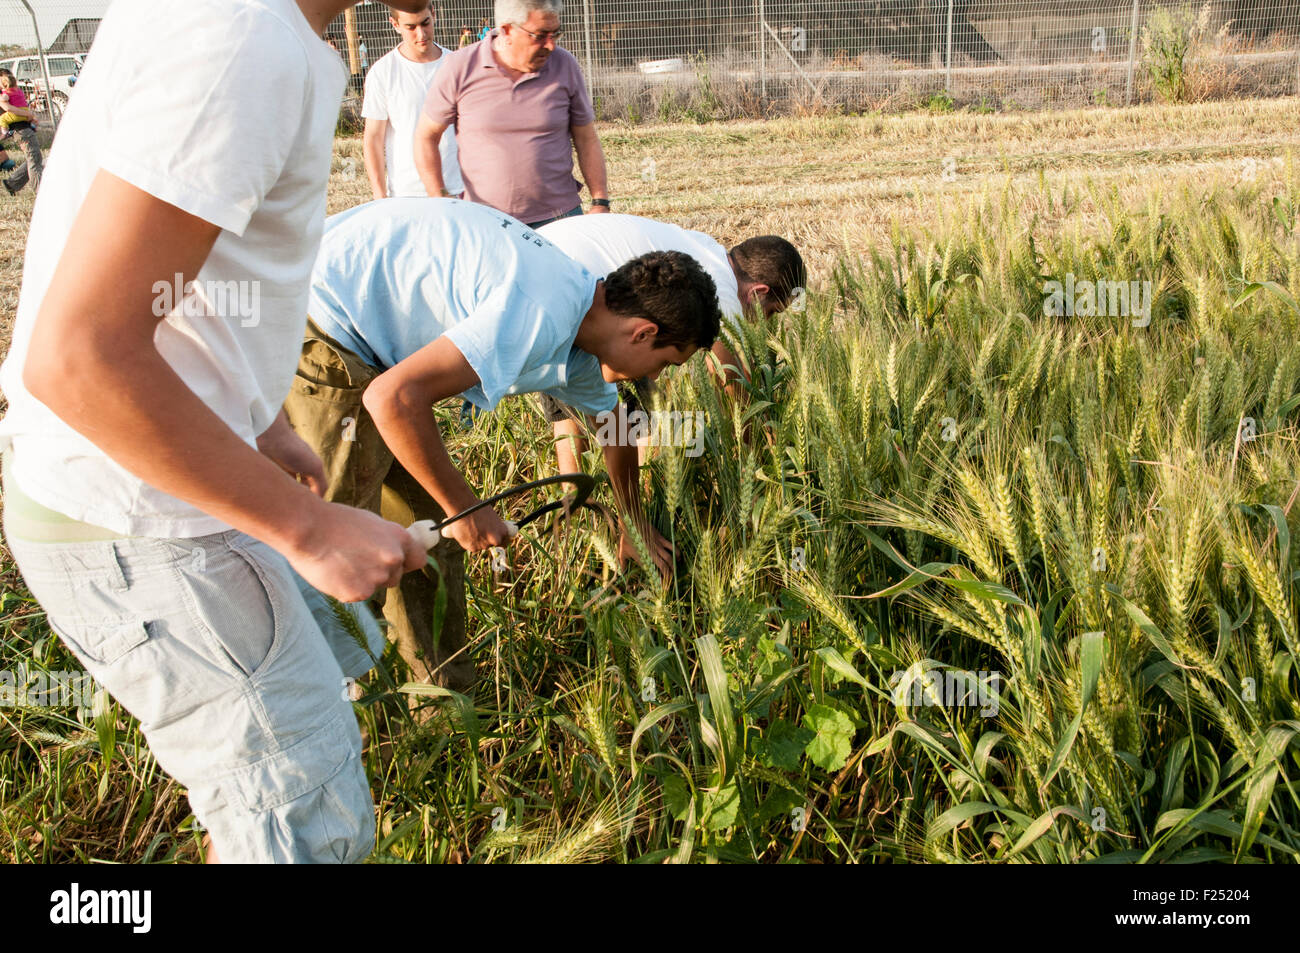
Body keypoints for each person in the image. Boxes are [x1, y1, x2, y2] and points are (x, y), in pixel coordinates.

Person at [0, 0, 434, 866]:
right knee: (306, 828)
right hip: (144, 520)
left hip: (164, 486)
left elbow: (185, 283)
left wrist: (261, 417)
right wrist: (305, 526)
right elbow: (79, 357)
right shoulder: (242, 38)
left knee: (276, 804)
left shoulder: (272, 32)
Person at [283, 198, 719, 691]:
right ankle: (338, 723)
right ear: (644, 333)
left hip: (377, 348)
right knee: (342, 549)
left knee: (427, 544)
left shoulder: (582, 329)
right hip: (325, 323)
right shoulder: (541, 312)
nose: (656, 377)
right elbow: (394, 398)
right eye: (665, 364)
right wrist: (465, 507)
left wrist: (632, 521)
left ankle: (445, 709)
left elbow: (615, 426)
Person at [537, 214, 805, 576]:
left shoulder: (708, 250)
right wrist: (759, 448)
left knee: (581, 409)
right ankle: (632, 528)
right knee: (642, 425)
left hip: (552, 265)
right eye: (771, 313)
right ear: (757, 292)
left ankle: (573, 521)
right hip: (569, 294)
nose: (765, 324)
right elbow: (730, 381)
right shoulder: (720, 290)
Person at [414, 0, 611, 229]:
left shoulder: (564, 64)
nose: (550, 45)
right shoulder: (460, 67)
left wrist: (600, 201)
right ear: (507, 30)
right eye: (540, 35)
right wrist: (440, 197)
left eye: (555, 34)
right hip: (486, 222)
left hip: (560, 219)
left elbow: (586, 137)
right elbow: (425, 136)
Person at [362, 2, 463, 201]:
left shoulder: (456, 65)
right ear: (395, 24)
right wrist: (379, 195)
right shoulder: (383, 72)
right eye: (411, 27)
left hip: (456, 189)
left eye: (425, 23)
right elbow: (373, 138)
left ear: (433, 14)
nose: (421, 34)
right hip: (407, 194)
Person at [1, 68, 42, 195]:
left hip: (23, 128)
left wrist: (29, 117)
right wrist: (27, 114)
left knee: (35, 158)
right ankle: (40, 191)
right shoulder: (4, 94)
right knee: (34, 160)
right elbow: (7, 108)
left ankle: (12, 183)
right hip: (20, 130)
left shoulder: (11, 92)